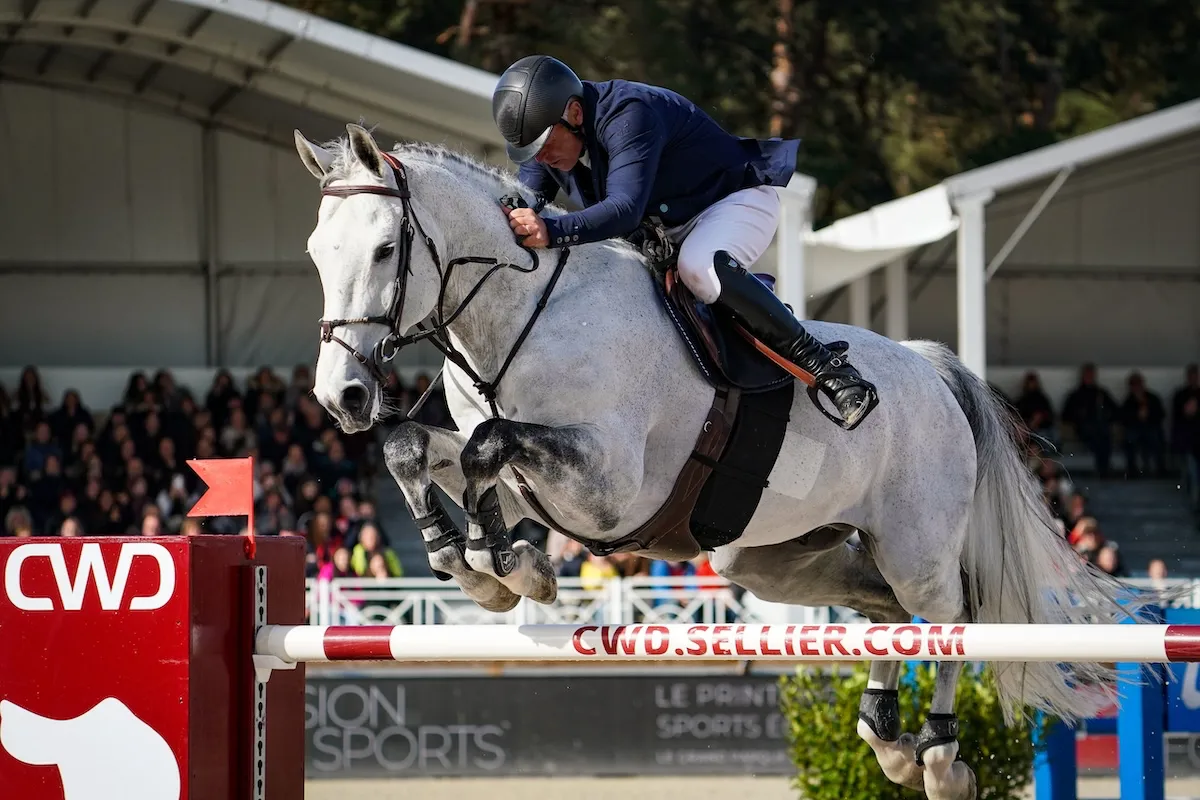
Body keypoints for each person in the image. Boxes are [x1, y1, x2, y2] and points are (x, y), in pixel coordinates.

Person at [491, 54, 877, 430]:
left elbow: (623, 209)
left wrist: (553, 232)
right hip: (669, 230)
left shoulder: (629, 113)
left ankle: (828, 368)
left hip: (732, 202)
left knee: (698, 267)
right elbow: (523, 197)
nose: (539, 158)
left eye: (543, 144)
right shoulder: (548, 142)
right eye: (531, 151)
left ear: (574, 113)